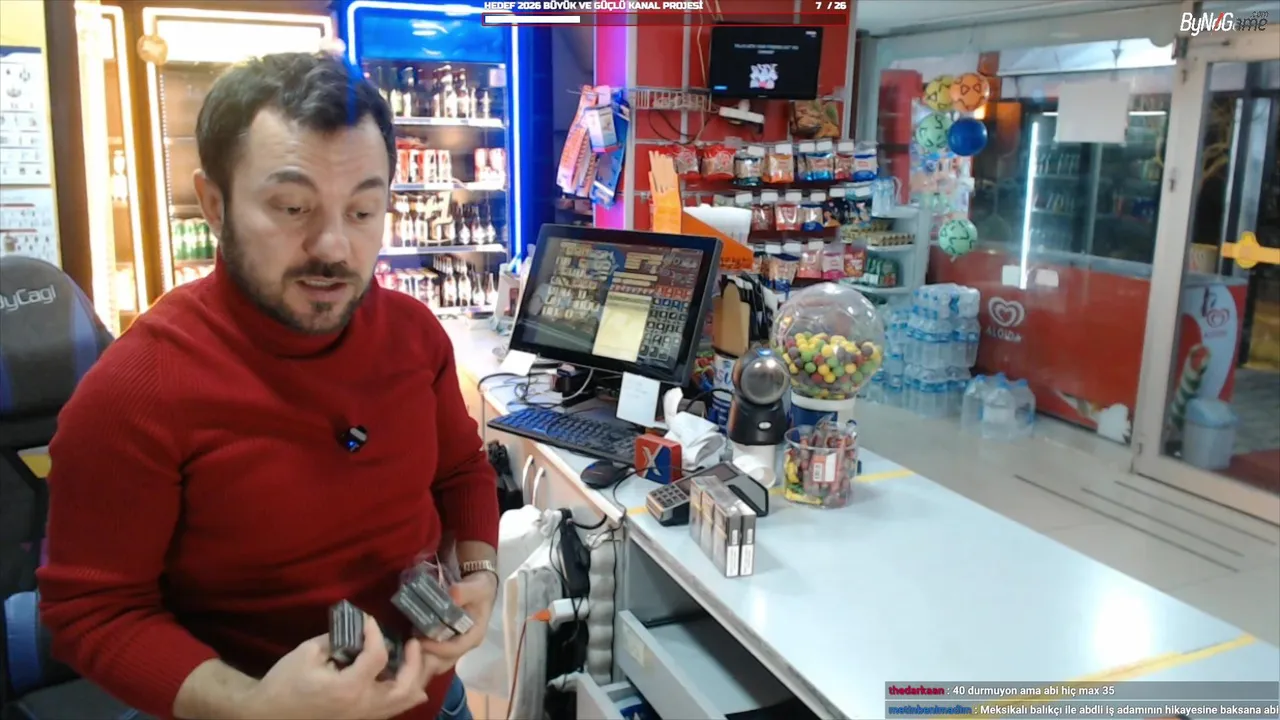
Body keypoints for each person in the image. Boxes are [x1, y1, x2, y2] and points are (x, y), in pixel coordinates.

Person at [37, 52, 500, 720]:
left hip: (435, 702)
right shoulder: (135, 392)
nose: (333, 247)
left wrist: (479, 572)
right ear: (214, 204)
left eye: (363, 211)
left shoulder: (415, 335)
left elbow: (460, 471)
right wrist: (254, 706)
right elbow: (93, 612)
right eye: (292, 207)